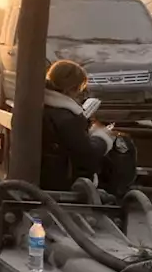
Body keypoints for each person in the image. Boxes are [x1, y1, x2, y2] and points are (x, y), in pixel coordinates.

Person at [41, 60, 111, 191]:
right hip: (63, 182)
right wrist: (102, 138)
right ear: (72, 89)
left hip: (45, 174)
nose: (80, 94)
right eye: (80, 89)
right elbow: (88, 156)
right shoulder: (67, 118)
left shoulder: (44, 107)